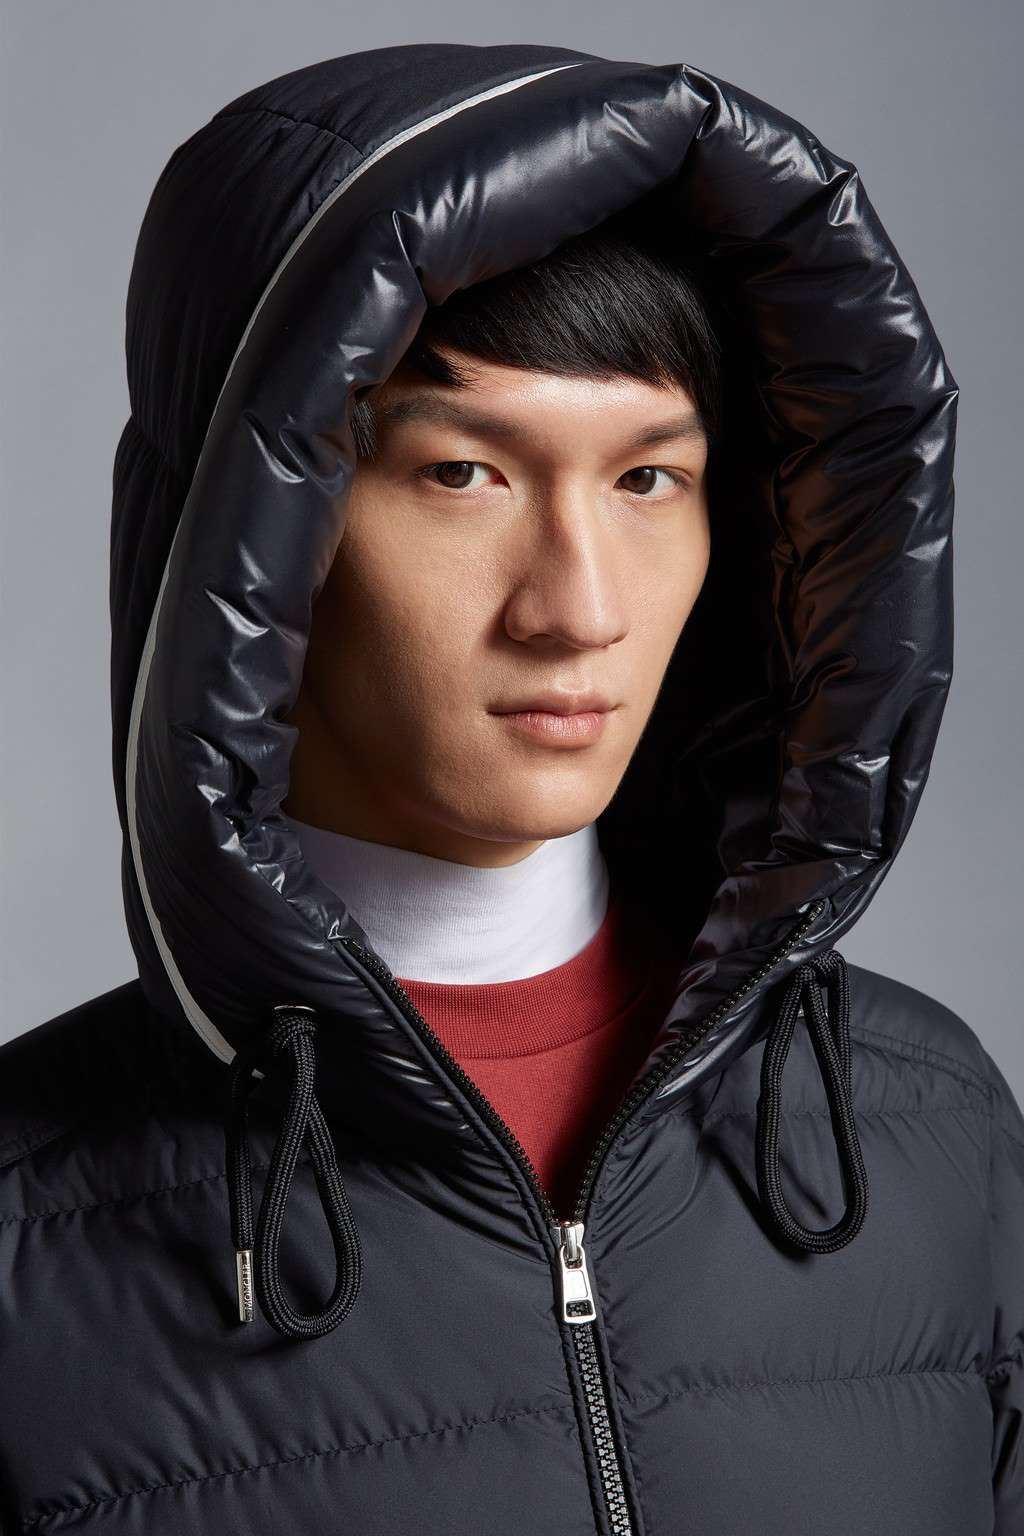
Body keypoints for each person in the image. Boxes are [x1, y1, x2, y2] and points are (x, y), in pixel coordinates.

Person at [1, 40, 1021, 1536]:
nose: (580, 608)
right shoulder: (26, 1231)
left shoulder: (930, 1124)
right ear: (254, 539)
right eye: (462, 474)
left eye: (648, 479)